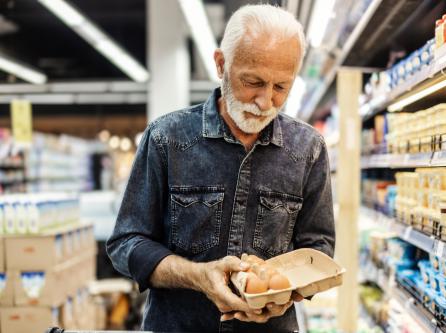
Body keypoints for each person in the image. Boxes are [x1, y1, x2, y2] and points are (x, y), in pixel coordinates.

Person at [106, 4, 335, 332]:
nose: (265, 101)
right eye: (253, 81)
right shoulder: (166, 139)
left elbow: (318, 247)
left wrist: (281, 295)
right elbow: (125, 243)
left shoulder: (308, 149)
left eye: (281, 87)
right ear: (220, 64)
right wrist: (197, 277)